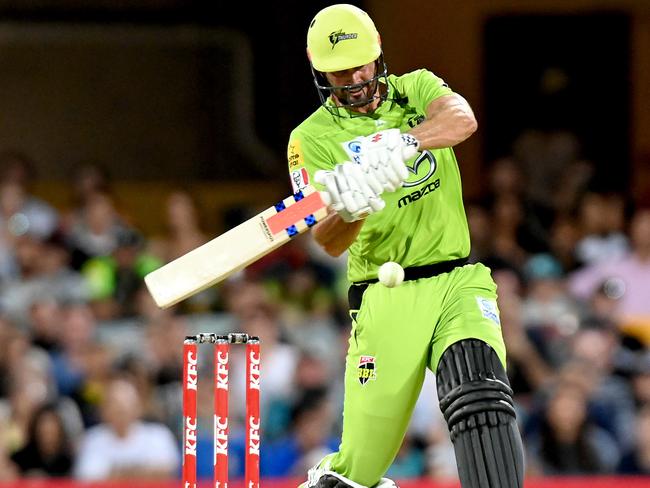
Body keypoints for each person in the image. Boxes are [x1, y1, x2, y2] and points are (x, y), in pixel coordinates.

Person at [289, 5, 524, 488]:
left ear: (378, 57)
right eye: (339, 70)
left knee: (481, 399)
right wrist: (351, 208)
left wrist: (403, 145)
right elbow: (326, 240)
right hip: (385, 294)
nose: (353, 77)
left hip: (458, 277)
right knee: (361, 471)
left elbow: (461, 119)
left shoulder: (415, 88)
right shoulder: (309, 138)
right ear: (320, 72)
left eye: (361, 64)